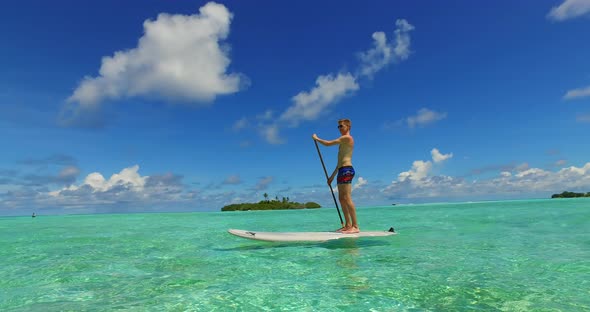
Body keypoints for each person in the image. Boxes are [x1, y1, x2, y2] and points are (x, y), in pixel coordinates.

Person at [312, 118, 359, 234]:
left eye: (341, 126)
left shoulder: (347, 138)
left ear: (348, 127)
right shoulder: (343, 141)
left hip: (347, 170)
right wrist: (332, 177)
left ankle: (355, 226)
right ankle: (348, 225)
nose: (339, 128)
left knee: (347, 198)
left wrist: (316, 139)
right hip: (341, 170)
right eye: (338, 126)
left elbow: (328, 144)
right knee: (341, 199)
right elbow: (339, 163)